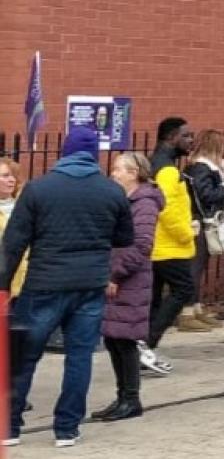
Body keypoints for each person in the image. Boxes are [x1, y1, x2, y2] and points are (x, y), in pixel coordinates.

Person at [2, 127, 134, 447]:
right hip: (90, 285)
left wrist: (3, 286)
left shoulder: (37, 190)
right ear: (94, 154)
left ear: (65, 151)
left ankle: (11, 426)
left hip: (44, 283)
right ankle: (67, 429)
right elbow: (124, 238)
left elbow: (13, 244)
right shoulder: (112, 191)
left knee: (25, 356)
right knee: (79, 356)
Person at [94, 152, 162, 422]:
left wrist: (116, 275)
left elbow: (141, 246)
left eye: (118, 169)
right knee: (113, 337)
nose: (113, 173)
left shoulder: (144, 203)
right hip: (117, 277)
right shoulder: (125, 200)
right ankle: (122, 396)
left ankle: (131, 399)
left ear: (134, 173)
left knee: (124, 340)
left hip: (129, 280)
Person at [145, 117, 197, 374]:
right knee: (183, 289)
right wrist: (187, 233)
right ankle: (147, 343)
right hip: (169, 246)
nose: (190, 141)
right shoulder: (167, 170)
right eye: (186, 136)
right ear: (171, 137)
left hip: (155, 245)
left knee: (153, 298)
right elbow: (165, 208)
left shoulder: (154, 164)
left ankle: (143, 348)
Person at [183, 129, 224, 331]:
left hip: (200, 220)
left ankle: (196, 307)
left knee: (198, 267)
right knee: (194, 268)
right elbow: (206, 195)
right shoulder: (202, 168)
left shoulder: (198, 167)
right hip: (200, 222)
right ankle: (187, 312)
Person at [0, 157, 29, 297]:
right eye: (5, 176)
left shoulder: (24, 206)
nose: (12, 180)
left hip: (24, 282)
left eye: (13, 176)